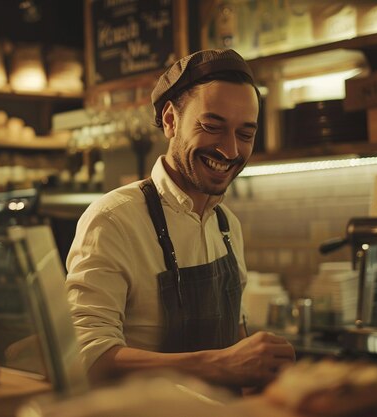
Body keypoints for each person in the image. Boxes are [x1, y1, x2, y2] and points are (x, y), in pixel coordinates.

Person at [65, 49, 295, 390]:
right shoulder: (113, 220)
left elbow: (236, 334)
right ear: (171, 120)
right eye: (212, 126)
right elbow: (88, 358)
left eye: (245, 134)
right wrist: (219, 363)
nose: (230, 150)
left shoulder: (227, 224)